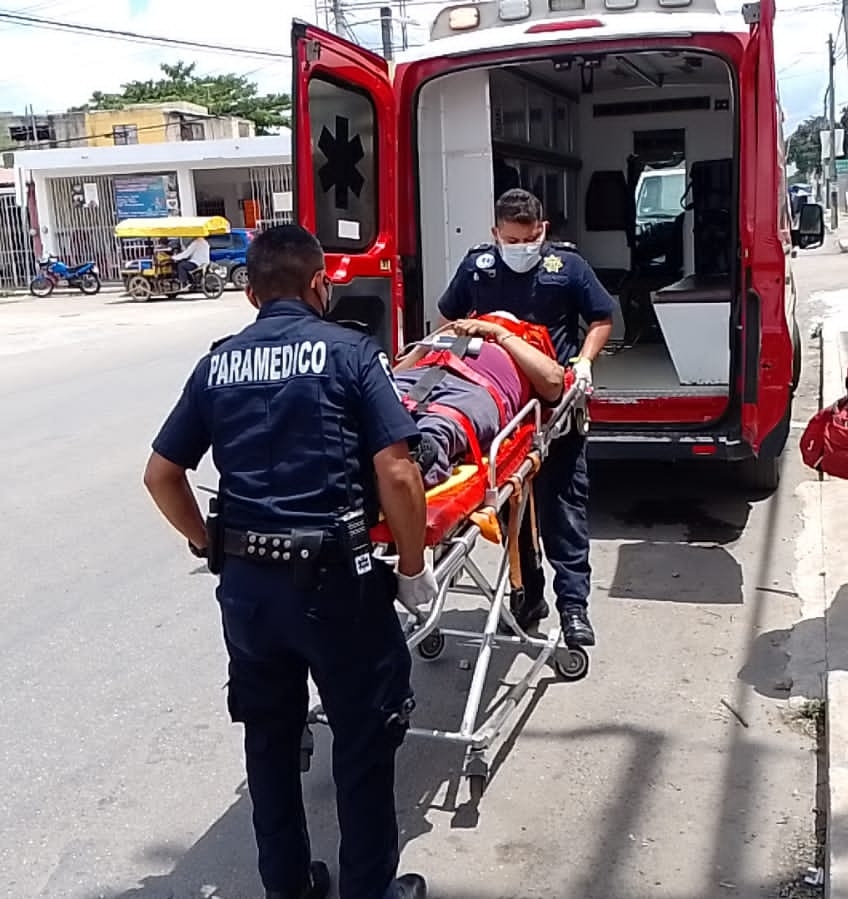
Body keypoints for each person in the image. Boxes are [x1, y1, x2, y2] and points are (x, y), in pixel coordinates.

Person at [143, 224, 431, 899]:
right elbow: (397, 470)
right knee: (363, 739)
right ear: (318, 285)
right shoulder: (351, 353)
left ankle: (289, 886)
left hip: (247, 591)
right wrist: (413, 569)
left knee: (269, 741)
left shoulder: (217, 364)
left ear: (249, 294)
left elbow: (161, 474)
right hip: (336, 584)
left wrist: (207, 543)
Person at [436, 188, 614, 648]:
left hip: (555, 403)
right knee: (516, 514)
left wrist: (585, 362)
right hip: (504, 408)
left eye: (529, 237)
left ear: (543, 230)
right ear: (495, 233)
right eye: (511, 239)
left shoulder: (567, 267)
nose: (521, 247)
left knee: (563, 511)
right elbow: (448, 316)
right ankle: (527, 595)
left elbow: (601, 317)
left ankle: (574, 609)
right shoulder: (479, 267)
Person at [392, 311, 565, 487]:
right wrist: (427, 345)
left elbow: (553, 381)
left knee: (443, 424)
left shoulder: (522, 346)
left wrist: (500, 333)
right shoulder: (447, 340)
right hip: (421, 373)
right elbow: (390, 377)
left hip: (476, 388)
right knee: (379, 403)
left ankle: (415, 462)